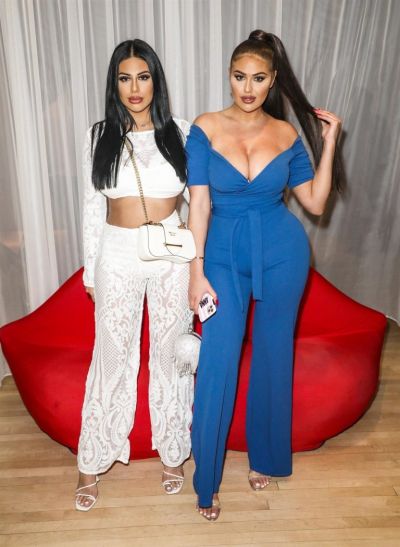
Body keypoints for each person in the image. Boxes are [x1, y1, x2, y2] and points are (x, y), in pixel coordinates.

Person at [186, 30, 342, 520]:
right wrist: (195, 270)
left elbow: (314, 203)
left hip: (282, 251)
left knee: (274, 356)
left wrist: (330, 143)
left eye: (258, 78)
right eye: (239, 77)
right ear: (229, 76)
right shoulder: (205, 127)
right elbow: (199, 206)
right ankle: (207, 482)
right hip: (222, 255)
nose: (248, 88)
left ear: (272, 80)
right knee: (218, 361)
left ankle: (266, 459)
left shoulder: (288, 135)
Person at [76, 39, 193, 511]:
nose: (134, 88)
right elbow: (91, 207)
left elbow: (200, 202)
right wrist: (91, 270)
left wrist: (199, 262)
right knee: (111, 355)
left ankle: (173, 452)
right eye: (124, 78)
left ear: (155, 81)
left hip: (172, 253)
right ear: (115, 84)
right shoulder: (98, 135)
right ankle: (91, 459)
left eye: (143, 77)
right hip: (118, 253)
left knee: (171, 353)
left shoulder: (181, 132)